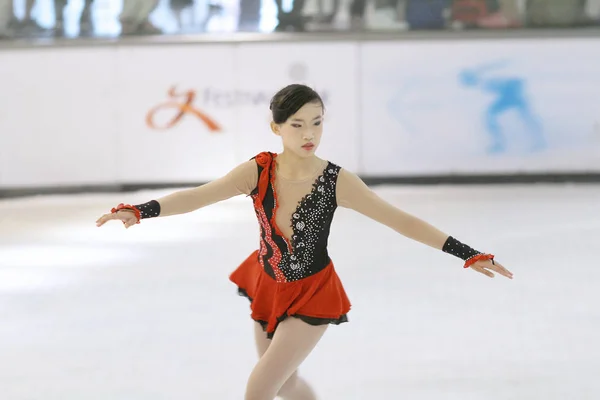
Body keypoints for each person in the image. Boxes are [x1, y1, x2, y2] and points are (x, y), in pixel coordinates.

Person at [96, 84, 513, 400]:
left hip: (312, 292)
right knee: (286, 384)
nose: (309, 133)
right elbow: (197, 196)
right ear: (276, 127)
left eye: (316, 122)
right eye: (297, 124)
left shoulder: (337, 181)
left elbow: (400, 220)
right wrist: (141, 209)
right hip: (267, 282)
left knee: (258, 389)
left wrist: (468, 252)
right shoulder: (258, 170)